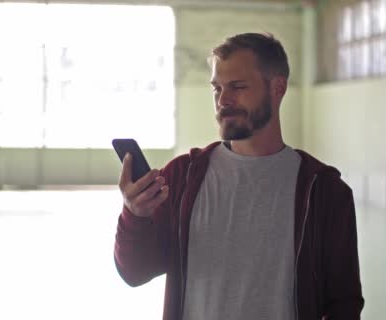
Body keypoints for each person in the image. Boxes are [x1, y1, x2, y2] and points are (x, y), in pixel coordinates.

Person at [114, 32, 364, 320]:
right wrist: (135, 215)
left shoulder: (324, 191)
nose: (224, 100)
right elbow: (135, 272)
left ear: (278, 88)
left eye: (238, 86)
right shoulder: (182, 177)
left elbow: (343, 304)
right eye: (217, 89)